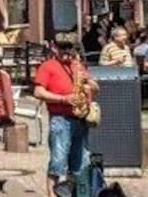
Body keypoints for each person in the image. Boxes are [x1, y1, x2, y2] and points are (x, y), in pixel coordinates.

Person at [34, 32, 99, 197]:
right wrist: (63, 99)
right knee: (58, 163)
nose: (66, 51)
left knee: (80, 164)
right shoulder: (47, 66)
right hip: (60, 120)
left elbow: (94, 88)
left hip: (80, 119)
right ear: (54, 48)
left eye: (69, 48)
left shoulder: (77, 66)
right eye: (62, 47)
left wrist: (91, 85)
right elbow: (38, 92)